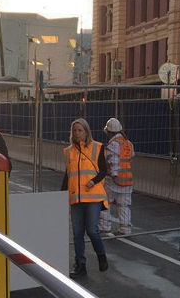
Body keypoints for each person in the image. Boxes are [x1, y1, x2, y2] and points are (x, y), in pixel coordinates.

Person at [61, 118, 109, 278]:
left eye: (80, 130)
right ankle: (80, 265)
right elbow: (67, 175)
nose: (77, 133)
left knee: (92, 230)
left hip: (93, 196)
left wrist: (93, 181)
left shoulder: (97, 148)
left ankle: (101, 256)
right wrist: (60, 195)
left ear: (86, 131)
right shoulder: (68, 151)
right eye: (75, 131)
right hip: (76, 198)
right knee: (77, 234)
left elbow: (103, 171)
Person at [99, 118, 134, 236]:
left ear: (109, 132)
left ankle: (104, 226)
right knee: (124, 205)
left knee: (104, 202)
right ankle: (125, 229)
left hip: (114, 180)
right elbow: (131, 156)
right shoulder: (127, 143)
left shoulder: (113, 144)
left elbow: (113, 161)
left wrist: (114, 176)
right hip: (127, 180)